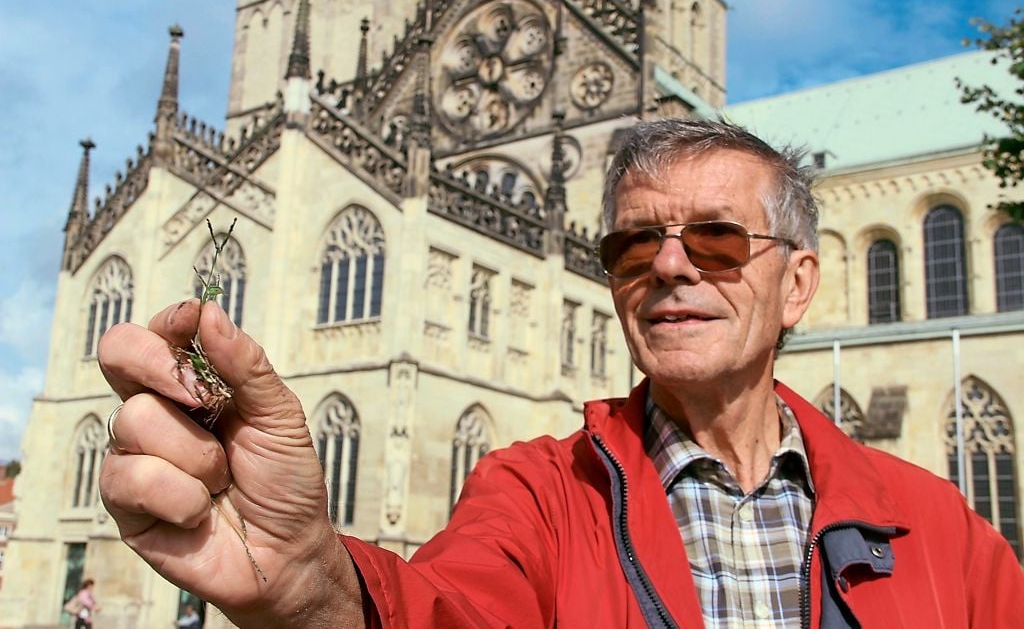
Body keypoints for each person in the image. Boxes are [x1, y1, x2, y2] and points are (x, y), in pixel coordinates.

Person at [98, 119, 1022, 627]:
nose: (670, 265)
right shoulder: (534, 496)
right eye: (633, 246)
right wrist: (311, 583)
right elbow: (445, 615)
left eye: (717, 239)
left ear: (801, 284)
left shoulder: (938, 527)